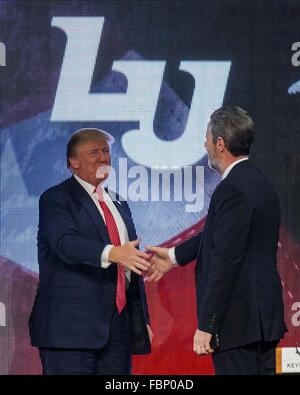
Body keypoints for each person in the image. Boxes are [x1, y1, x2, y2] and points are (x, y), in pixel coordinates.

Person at [147, 106, 287, 375]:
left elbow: (225, 260)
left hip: (238, 325)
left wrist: (207, 324)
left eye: (207, 138)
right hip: (261, 322)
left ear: (220, 144)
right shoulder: (259, 183)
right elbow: (222, 234)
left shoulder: (231, 188)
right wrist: (175, 256)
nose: (205, 144)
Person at [29, 128, 153, 375]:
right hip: (70, 332)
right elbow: (64, 243)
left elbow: (130, 263)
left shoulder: (118, 202)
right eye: (94, 152)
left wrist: (142, 320)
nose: (103, 158)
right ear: (73, 162)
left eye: (106, 151)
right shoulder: (56, 198)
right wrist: (112, 253)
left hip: (118, 330)